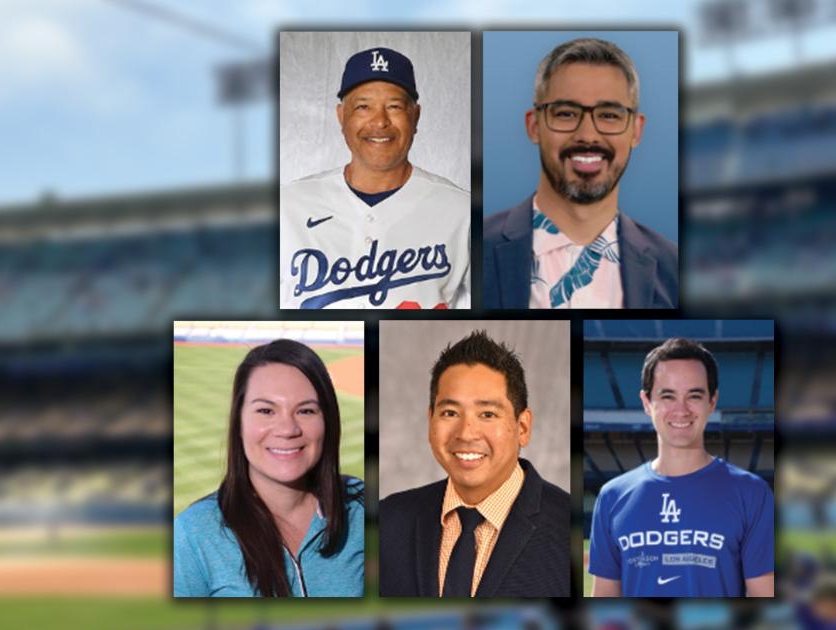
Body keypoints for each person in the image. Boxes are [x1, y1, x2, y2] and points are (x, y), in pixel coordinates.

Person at [484, 37, 677, 309]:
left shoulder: (674, 269)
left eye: (609, 115)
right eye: (566, 114)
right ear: (534, 126)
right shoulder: (475, 249)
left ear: (636, 130)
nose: (587, 135)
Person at [379, 331, 570, 597]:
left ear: (523, 427)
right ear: (430, 419)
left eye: (488, 414)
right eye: (450, 413)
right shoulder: (389, 520)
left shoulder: (568, 525)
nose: (466, 433)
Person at [280, 45, 470, 310]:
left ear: (415, 116)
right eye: (363, 107)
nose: (380, 121)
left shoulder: (464, 211)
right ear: (341, 116)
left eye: (394, 106)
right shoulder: (288, 205)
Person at [174, 340, 364, 597]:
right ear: (238, 423)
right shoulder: (192, 532)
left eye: (306, 410)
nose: (288, 429)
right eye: (265, 410)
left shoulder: (363, 507)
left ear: (327, 421)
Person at [589, 338, 774, 597]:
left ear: (712, 401)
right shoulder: (612, 497)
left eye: (694, 396)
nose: (681, 410)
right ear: (646, 402)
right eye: (667, 396)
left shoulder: (752, 493)